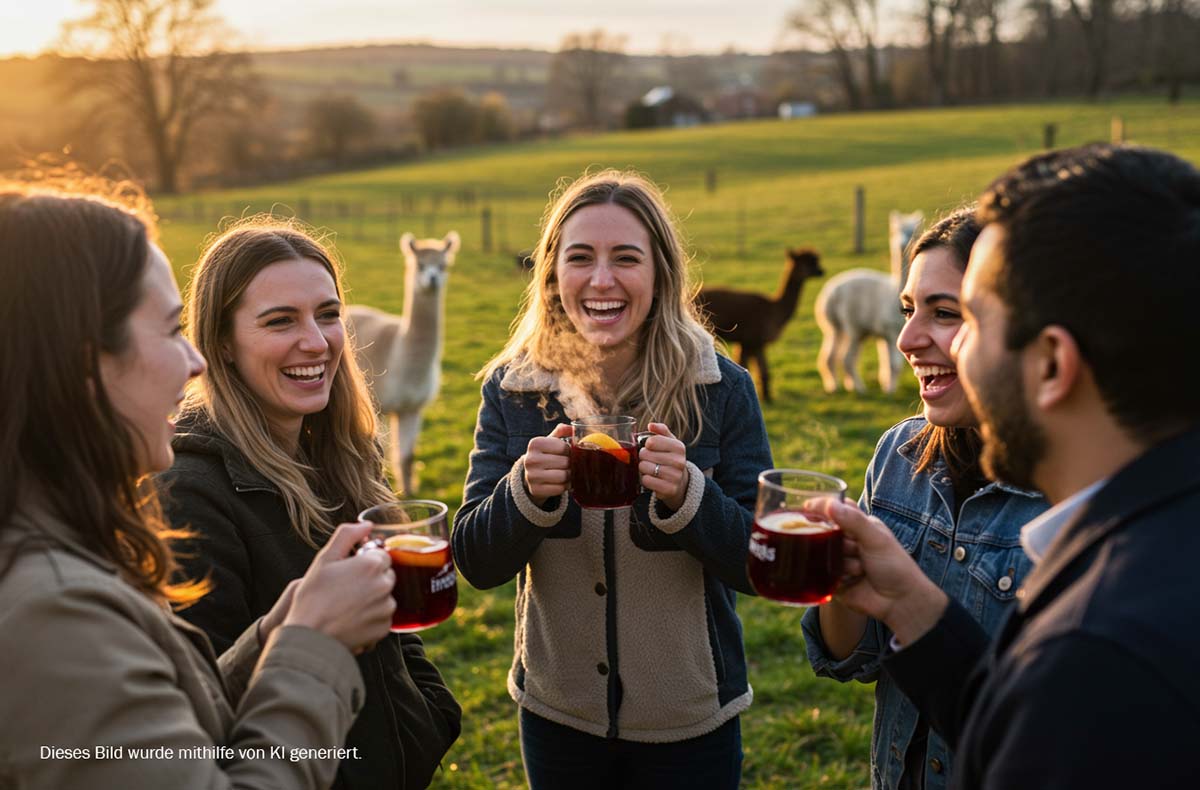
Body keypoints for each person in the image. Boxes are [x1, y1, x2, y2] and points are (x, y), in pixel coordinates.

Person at [808, 143, 1200, 788]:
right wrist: (911, 606)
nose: (922, 341)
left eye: (974, 319)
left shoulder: (1099, 645)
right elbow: (1019, 722)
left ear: (1051, 364)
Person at [0, 175, 398, 789]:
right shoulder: (54, 611)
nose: (195, 362)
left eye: (328, 314)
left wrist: (278, 634)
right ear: (83, 364)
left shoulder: (68, 545)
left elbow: (178, 732)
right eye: (169, 330)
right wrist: (315, 645)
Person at [452, 170, 772, 788]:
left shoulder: (721, 388)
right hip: (558, 715)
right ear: (552, 274)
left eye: (626, 258)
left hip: (690, 721)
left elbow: (763, 565)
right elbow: (475, 562)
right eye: (580, 258)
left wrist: (690, 497)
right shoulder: (513, 390)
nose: (602, 280)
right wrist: (523, 495)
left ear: (661, 273)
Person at [157, 220, 462, 789]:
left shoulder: (342, 454)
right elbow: (197, 713)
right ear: (221, 342)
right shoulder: (188, 495)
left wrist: (430, 716)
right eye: (280, 321)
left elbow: (392, 616)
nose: (318, 343)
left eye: (328, 314)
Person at [800, 208, 1048, 789]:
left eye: (945, 313)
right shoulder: (898, 456)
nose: (907, 339)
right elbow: (851, 657)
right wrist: (839, 579)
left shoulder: (1068, 505)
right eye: (909, 309)